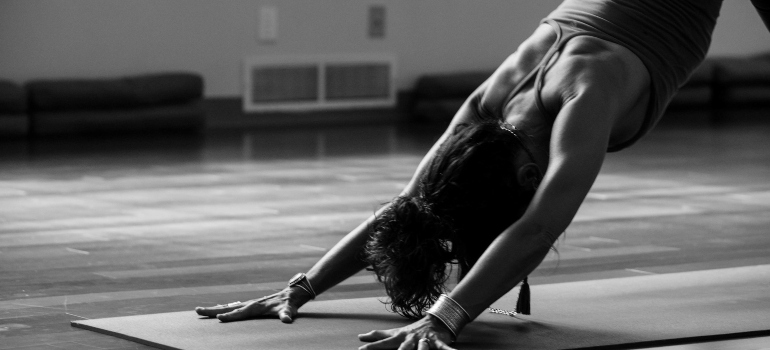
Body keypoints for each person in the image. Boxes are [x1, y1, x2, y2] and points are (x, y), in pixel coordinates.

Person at [196, 0, 770, 349]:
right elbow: (407, 206)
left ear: (525, 178)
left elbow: (537, 230)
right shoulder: (485, 109)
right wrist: (302, 287)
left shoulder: (585, 93)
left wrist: (447, 317)